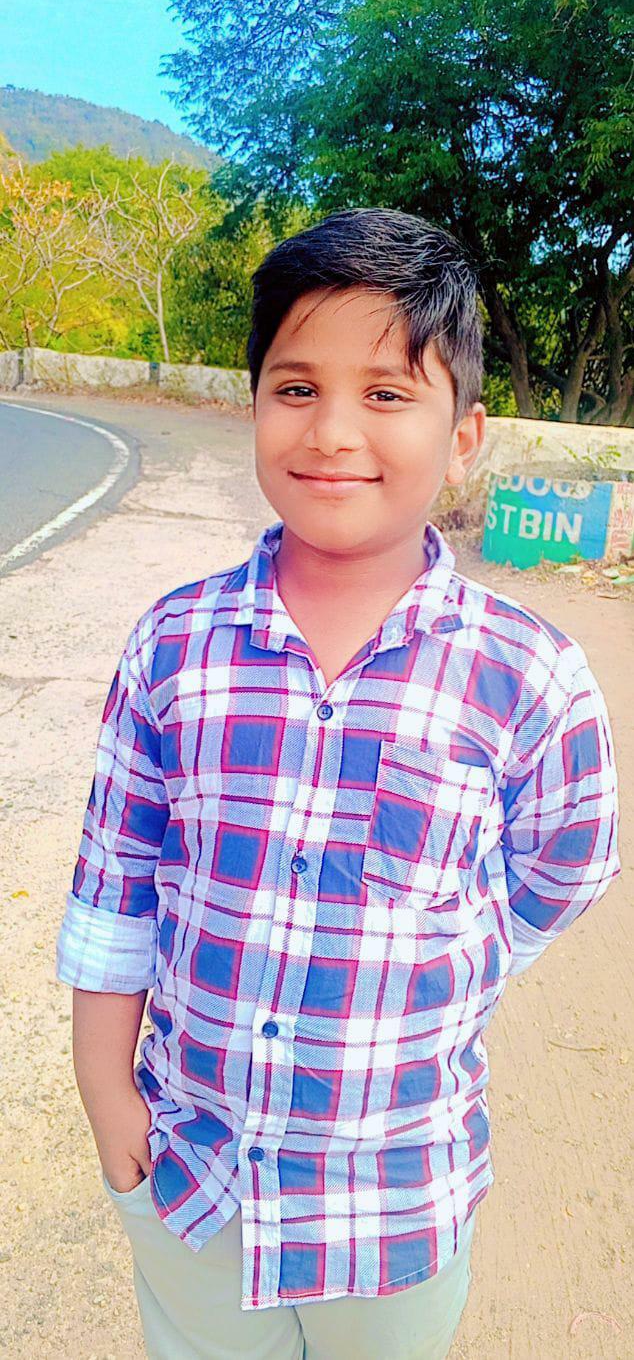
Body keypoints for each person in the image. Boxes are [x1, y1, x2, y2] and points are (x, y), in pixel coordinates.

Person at [56, 208, 621, 1360]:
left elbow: (565, 863)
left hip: (394, 1202)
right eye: (296, 386)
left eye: (386, 391)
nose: (332, 431)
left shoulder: (528, 673)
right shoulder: (174, 646)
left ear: (462, 437)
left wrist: (461, 947)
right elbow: (115, 886)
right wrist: (107, 1090)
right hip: (194, 1175)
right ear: (254, 403)